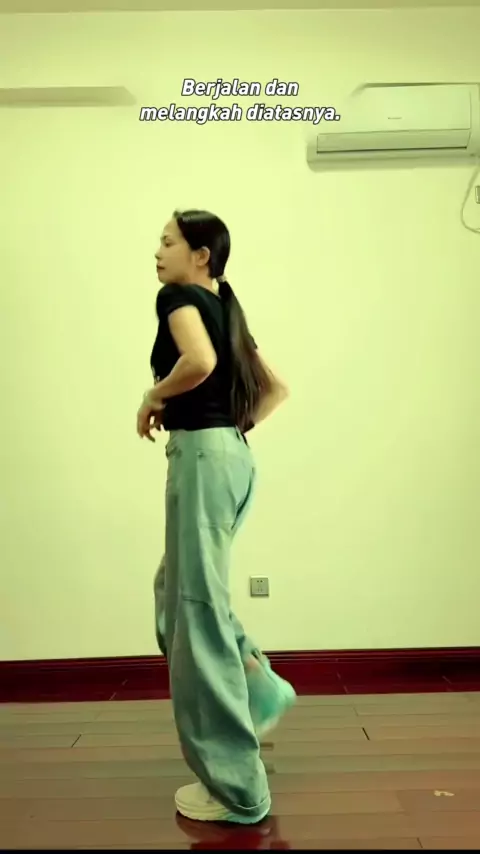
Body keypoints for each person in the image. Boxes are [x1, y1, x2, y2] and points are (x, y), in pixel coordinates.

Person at [136, 209, 295, 824]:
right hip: (232, 457)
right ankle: (256, 685)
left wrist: (154, 395)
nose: (158, 251)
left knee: (195, 613)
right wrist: (227, 430)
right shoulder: (227, 305)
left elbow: (198, 362)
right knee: (177, 590)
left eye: (168, 241)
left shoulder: (177, 296)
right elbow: (275, 390)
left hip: (204, 459)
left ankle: (238, 790)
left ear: (200, 255)